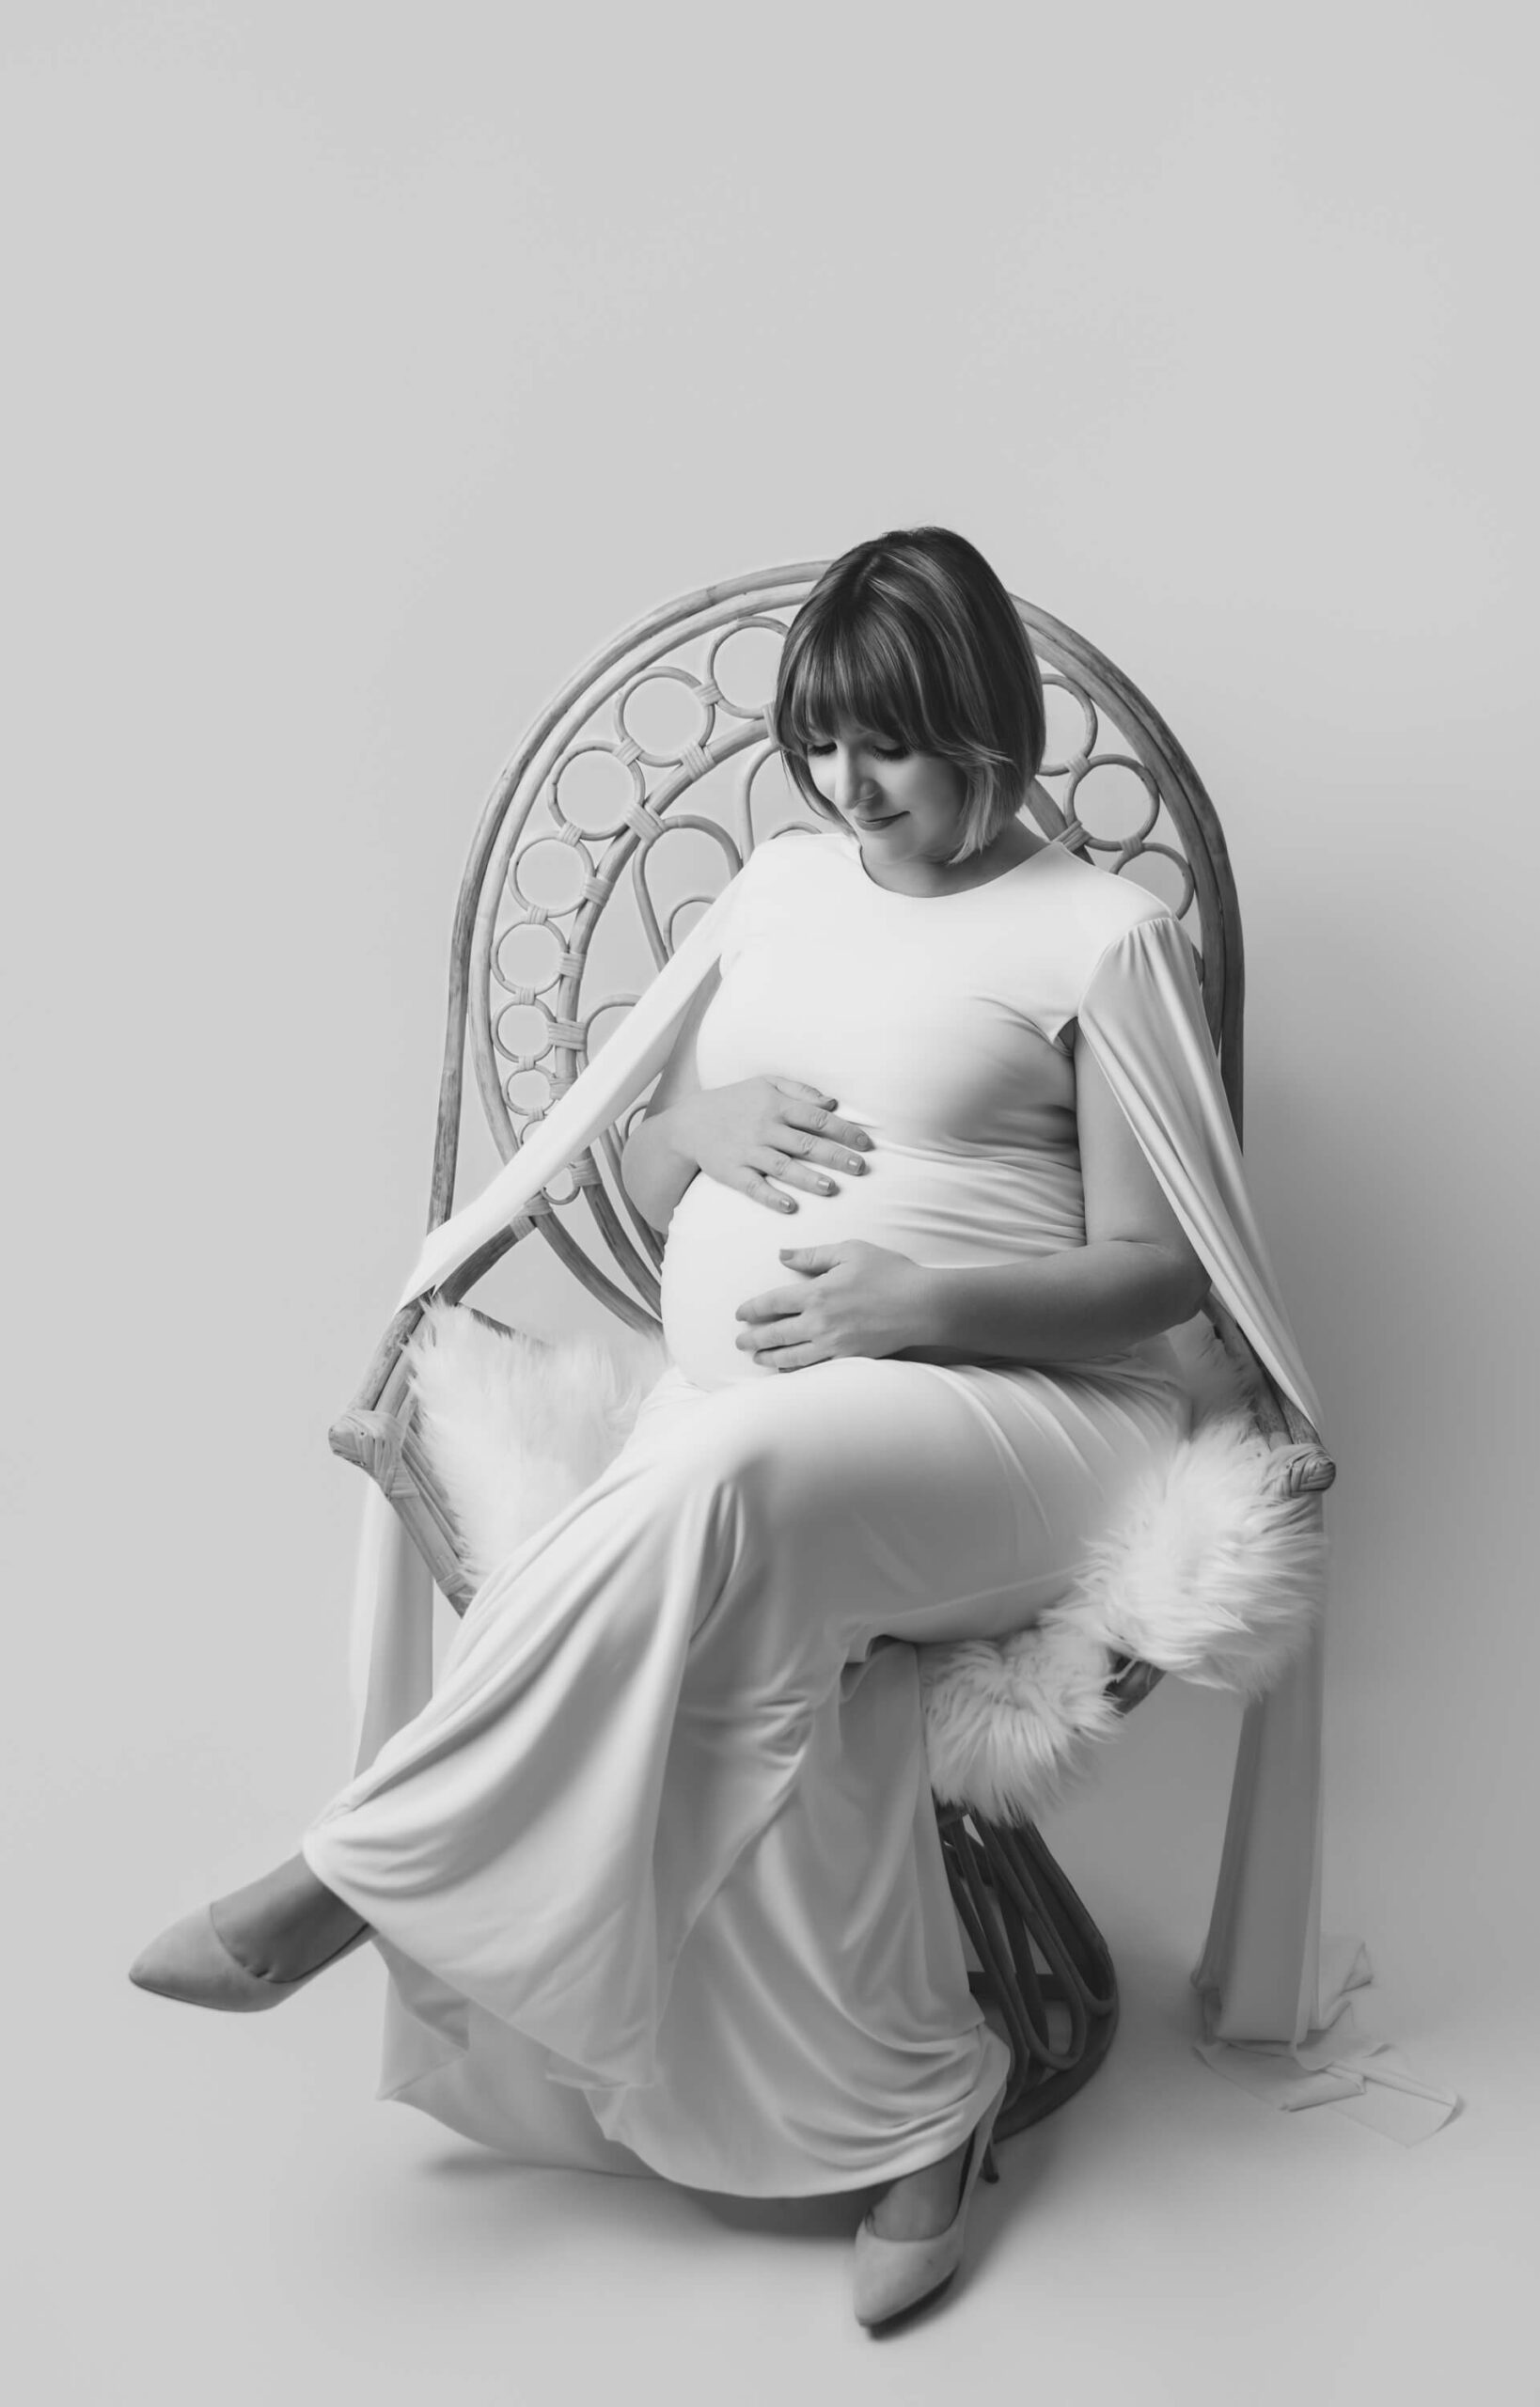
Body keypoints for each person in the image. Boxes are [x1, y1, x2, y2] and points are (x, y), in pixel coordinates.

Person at [129, 527, 1313, 2330]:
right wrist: (707, 1119)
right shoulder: (776, 886)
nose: (851, 788)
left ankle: (355, 1876)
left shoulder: (1100, 933)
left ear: (989, 725)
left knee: (735, 1470)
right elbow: (639, 1148)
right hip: (761, 1421)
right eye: (820, 747)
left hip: (1031, 1420)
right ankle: (926, 2096)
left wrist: (913, 1304)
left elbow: (1157, 1279)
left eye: (891, 748)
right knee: (751, 1572)